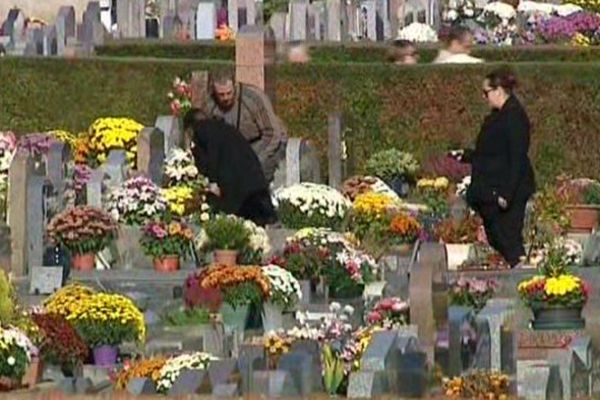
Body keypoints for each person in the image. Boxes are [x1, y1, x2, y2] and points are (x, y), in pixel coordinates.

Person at [452, 67, 535, 268]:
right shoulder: (499, 115)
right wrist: (467, 155)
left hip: (506, 190)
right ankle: (520, 273)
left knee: (509, 239)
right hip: (493, 189)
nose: (484, 97)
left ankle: (525, 279)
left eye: (486, 92)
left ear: (499, 90)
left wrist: (506, 194)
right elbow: (491, 152)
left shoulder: (514, 117)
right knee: (498, 236)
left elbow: (516, 157)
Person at [184, 108, 277, 226]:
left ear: (189, 128)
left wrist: (210, 181)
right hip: (256, 185)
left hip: (237, 193)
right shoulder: (225, 128)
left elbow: (209, 158)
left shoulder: (201, 129)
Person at [205, 70, 287, 183]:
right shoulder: (210, 104)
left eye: (229, 93)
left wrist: (252, 158)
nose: (225, 98)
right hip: (236, 147)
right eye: (221, 95)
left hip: (265, 142)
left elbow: (272, 133)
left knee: (254, 172)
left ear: (235, 86)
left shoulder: (254, 99)